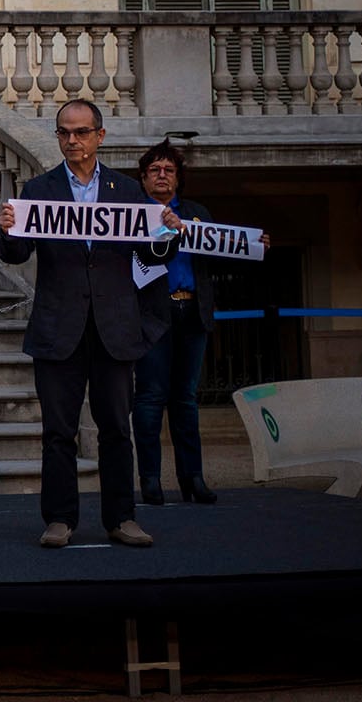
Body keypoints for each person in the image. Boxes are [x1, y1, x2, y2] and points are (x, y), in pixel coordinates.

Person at [0, 98, 180, 550]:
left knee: (118, 429)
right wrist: (7, 229)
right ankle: (59, 519)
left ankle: (122, 518)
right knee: (58, 431)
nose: (72, 140)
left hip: (115, 328)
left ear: (100, 136)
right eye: (64, 132)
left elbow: (148, 256)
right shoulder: (38, 190)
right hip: (59, 327)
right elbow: (16, 255)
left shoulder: (128, 191)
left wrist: (166, 235)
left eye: (80, 132)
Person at [132, 140, 262, 507]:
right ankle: (151, 480)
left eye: (168, 171)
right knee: (150, 398)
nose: (162, 176)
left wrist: (254, 247)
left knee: (186, 400)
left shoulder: (196, 213)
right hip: (151, 316)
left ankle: (193, 478)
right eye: (154, 170)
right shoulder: (132, 215)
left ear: (178, 178)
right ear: (143, 179)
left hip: (193, 312)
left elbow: (221, 259)